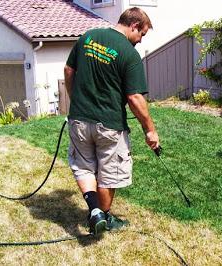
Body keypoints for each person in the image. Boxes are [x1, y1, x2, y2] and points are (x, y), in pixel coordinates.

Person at [64, 7, 160, 235]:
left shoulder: (88, 37)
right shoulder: (129, 53)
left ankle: (94, 211)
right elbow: (135, 97)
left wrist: (75, 99)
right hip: (109, 126)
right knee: (109, 172)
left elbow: (69, 70)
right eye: (142, 34)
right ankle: (104, 217)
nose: (140, 40)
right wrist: (150, 130)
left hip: (79, 119)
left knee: (84, 167)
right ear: (134, 25)